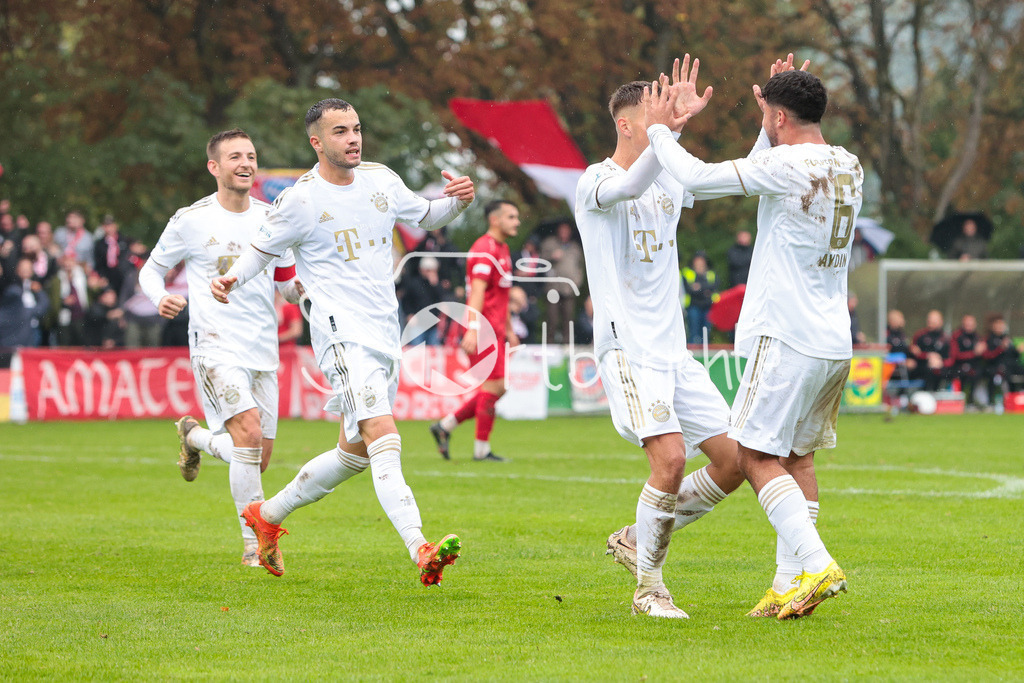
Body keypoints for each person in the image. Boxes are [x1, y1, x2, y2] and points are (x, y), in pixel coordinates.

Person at [212, 98, 474, 586]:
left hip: (383, 333)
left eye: (356, 128)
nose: (353, 139)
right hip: (340, 337)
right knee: (384, 435)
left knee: (352, 455)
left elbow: (428, 216)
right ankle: (420, 546)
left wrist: (458, 199)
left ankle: (265, 516)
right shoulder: (301, 199)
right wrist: (231, 278)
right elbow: (260, 251)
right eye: (339, 132)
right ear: (317, 142)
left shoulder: (381, 179)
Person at [646, 55, 860, 619]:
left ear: (782, 119)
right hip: (833, 338)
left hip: (784, 333)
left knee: (755, 453)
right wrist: (768, 123)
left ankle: (815, 563)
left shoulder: (788, 167)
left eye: (771, 114)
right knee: (798, 456)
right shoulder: (847, 164)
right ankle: (790, 586)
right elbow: (764, 164)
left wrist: (659, 129)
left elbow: (698, 176)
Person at [574, 56, 746, 620]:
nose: (666, 121)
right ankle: (649, 588)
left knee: (735, 461)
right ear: (626, 124)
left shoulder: (668, 171)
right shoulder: (596, 181)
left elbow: (730, 181)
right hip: (628, 349)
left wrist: (771, 127)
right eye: (652, 114)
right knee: (669, 460)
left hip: (673, 351)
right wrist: (664, 134)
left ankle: (634, 537)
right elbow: (632, 182)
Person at [139, 128, 304, 567]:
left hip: (262, 349)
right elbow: (150, 272)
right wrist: (160, 298)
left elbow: (286, 283)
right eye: (235, 156)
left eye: (250, 155)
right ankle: (255, 545)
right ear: (215, 167)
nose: (246, 163)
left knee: (257, 459)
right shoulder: (191, 219)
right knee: (248, 435)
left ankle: (193, 437)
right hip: (214, 345)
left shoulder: (272, 218)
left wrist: (307, 294)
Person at [429, 200, 521, 462]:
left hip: (496, 329)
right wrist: (472, 328)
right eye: (511, 216)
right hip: (482, 329)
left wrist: (510, 329)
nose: (517, 222)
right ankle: (480, 450)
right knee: (494, 387)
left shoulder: (502, 249)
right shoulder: (484, 249)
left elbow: (500, 295)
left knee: (496, 388)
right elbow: (477, 292)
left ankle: (445, 426)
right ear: (495, 220)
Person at [539, 220, 584, 343]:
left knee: (568, 319)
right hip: (553, 287)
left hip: (569, 288)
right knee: (552, 318)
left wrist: (577, 282)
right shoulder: (549, 244)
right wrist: (551, 257)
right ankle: (549, 344)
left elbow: (580, 267)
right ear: (558, 231)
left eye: (566, 230)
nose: (564, 233)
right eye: (562, 230)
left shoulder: (575, 247)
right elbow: (540, 263)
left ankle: (567, 345)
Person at [0, 258, 50, 347]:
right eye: (22, 268)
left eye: (28, 268)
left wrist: (39, 291)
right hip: (17, 332)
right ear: (17, 270)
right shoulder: (12, 289)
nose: (25, 271)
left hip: (32, 329)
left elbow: (42, 308)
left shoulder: (35, 286)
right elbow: (41, 308)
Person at [982, 315, 1024, 407]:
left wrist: (1018, 350)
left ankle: (1017, 399)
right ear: (993, 326)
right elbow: (988, 356)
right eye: (998, 325)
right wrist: (1000, 348)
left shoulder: (1007, 338)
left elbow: (1014, 355)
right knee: (997, 375)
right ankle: (992, 402)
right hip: (995, 365)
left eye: (1002, 325)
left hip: (1011, 365)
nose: (1000, 327)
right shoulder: (989, 339)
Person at [681, 252, 718, 344]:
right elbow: (689, 290)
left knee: (706, 332)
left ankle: (705, 352)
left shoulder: (711, 274)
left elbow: (714, 286)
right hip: (693, 306)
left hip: (707, 306)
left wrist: (699, 287)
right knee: (693, 331)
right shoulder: (688, 272)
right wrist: (705, 290)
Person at [910, 310, 952, 392]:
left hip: (941, 367)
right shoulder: (920, 335)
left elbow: (951, 357)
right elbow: (914, 352)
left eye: (934, 321)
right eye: (929, 320)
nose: (930, 323)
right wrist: (928, 356)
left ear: (940, 322)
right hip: (922, 367)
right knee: (928, 371)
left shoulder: (946, 338)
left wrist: (941, 362)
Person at [951, 314, 985, 408]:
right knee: (962, 375)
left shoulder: (978, 337)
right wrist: (973, 353)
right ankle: (959, 402)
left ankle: (971, 401)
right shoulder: (956, 336)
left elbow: (985, 354)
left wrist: (983, 350)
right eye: (967, 324)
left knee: (979, 373)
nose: (969, 326)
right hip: (959, 366)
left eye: (971, 324)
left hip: (975, 366)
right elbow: (955, 355)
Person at [93, 215, 130, 294]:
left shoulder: (125, 240)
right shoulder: (100, 244)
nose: (109, 229)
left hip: (123, 275)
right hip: (108, 275)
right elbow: (99, 264)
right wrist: (102, 276)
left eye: (111, 225)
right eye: (106, 226)